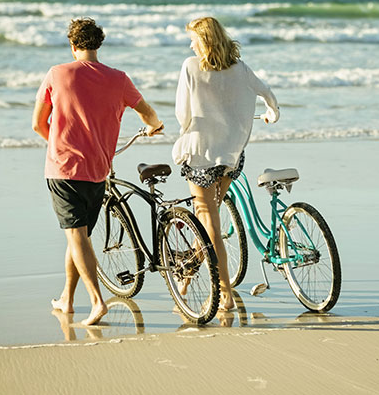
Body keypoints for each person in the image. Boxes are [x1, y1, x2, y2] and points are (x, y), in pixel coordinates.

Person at [32, 18, 163, 326]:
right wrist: (153, 127)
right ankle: (67, 298)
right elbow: (148, 113)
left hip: (63, 169)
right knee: (80, 237)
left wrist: (58, 146)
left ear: (72, 44)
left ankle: (96, 302)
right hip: (99, 170)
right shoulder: (119, 79)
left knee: (76, 235)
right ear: (99, 43)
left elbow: (38, 124)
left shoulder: (57, 74)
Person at [172, 17, 279, 311]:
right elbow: (267, 92)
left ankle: (224, 293)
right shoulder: (240, 69)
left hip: (202, 155)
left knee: (210, 226)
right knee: (208, 220)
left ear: (204, 40)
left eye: (193, 39)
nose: (190, 44)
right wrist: (272, 114)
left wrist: (185, 133)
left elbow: (183, 113)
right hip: (231, 155)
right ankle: (188, 276)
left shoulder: (191, 66)